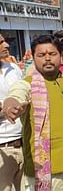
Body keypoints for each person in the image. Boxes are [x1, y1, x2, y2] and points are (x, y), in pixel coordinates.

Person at [3, 35, 63, 190]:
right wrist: (11, 103)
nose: (47, 59)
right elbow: (17, 93)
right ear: (33, 57)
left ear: (61, 56)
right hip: (46, 173)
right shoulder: (28, 84)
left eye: (52, 54)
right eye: (41, 55)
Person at [0, 33, 24, 191]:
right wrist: (5, 108)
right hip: (2, 150)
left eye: (4, 41)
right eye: (0, 42)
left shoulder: (13, 68)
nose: (6, 45)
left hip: (23, 144)